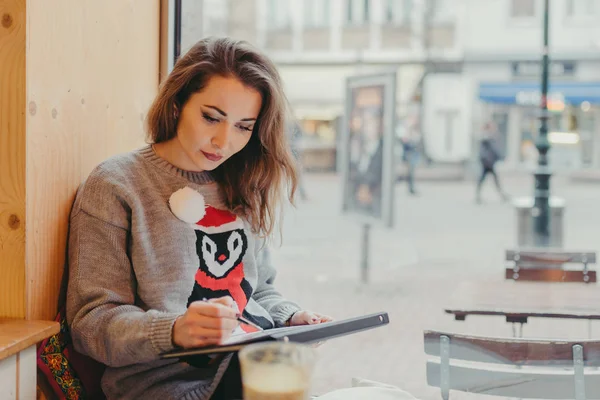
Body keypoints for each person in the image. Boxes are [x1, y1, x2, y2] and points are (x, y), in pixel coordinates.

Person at [66, 37, 332, 400]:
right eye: (211, 117)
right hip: (164, 388)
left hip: (246, 368)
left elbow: (259, 290)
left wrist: (292, 318)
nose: (223, 141)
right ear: (177, 104)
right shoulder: (116, 184)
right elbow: (90, 324)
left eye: (243, 126)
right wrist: (174, 329)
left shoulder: (243, 183)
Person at [476, 122, 509, 204]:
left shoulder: (485, 137)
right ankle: (502, 195)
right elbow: (494, 150)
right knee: (491, 179)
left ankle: (478, 196)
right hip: (488, 162)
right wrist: (501, 157)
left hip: (487, 162)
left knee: (486, 179)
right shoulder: (488, 138)